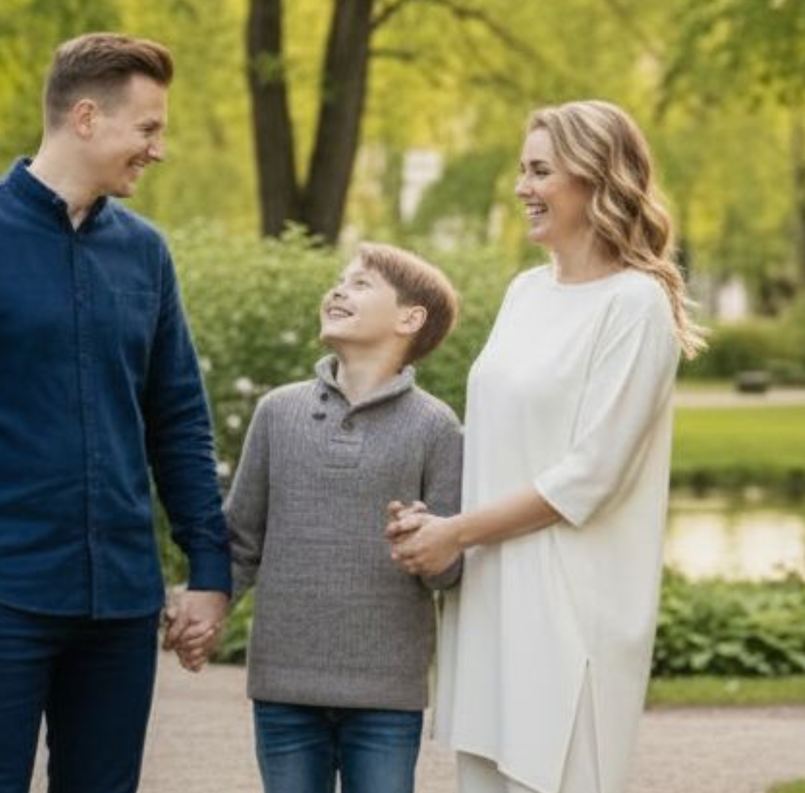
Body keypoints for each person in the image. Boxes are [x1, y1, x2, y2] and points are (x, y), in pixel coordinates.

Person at [0, 32, 231, 793]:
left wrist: (209, 570)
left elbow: (179, 423)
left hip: (121, 599)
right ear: (87, 118)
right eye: (148, 128)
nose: (158, 150)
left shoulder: (146, 254)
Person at [386, 101, 705, 793]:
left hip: (571, 613)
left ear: (595, 179)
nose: (521, 188)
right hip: (491, 600)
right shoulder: (525, 291)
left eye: (540, 171)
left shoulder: (636, 305)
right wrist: (435, 519)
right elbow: (500, 438)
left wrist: (456, 533)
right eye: (522, 170)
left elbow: (590, 476)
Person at [222, 243, 464, 793]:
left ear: (409, 318)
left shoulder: (437, 428)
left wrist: (427, 545)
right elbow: (240, 540)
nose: (338, 290)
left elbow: (449, 570)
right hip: (284, 688)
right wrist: (204, 609)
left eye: (361, 283)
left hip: (385, 697)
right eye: (339, 280)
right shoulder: (277, 412)